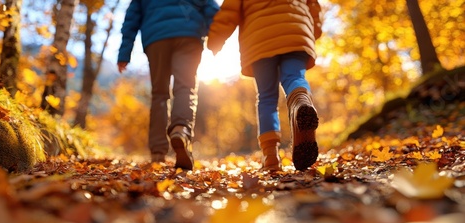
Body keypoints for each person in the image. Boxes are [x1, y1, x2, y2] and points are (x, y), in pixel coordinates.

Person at [207, 0, 322, 171]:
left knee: (267, 97)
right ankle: (301, 102)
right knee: (294, 78)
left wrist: (215, 38)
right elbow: (313, 5)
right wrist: (313, 30)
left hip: (259, 38)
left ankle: (270, 157)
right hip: (296, 30)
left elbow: (229, 11)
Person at [117, 0, 220, 170]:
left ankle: (158, 152)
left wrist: (124, 52)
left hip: (156, 37)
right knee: (185, 87)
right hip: (189, 34)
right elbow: (211, 8)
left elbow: (131, 18)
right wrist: (216, 39)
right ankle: (181, 130)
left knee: (159, 94)